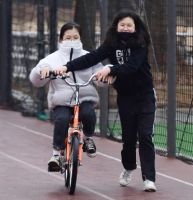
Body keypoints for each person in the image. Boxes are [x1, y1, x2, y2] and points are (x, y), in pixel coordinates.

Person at [54, 10, 157, 192]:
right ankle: (128, 168)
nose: (125, 28)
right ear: (116, 27)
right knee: (129, 138)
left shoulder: (140, 45)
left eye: (129, 25)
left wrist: (109, 69)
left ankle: (149, 178)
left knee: (146, 135)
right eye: (122, 25)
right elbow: (91, 58)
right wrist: (67, 67)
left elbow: (131, 66)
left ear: (135, 28)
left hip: (145, 95)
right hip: (126, 97)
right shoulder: (112, 44)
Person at [29, 22, 111, 171]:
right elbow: (36, 82)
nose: (72, 41)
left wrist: (105, 75)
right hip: (61, 100)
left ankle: (87, 139)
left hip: (84, 97)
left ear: (80, 38)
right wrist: (43, 70)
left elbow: (101, 77)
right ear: (61, 39)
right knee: (62, 119)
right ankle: (56, 154)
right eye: (68, 38)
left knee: (89, 113)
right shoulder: (52, 59)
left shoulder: (89, 57)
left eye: (75, 37)